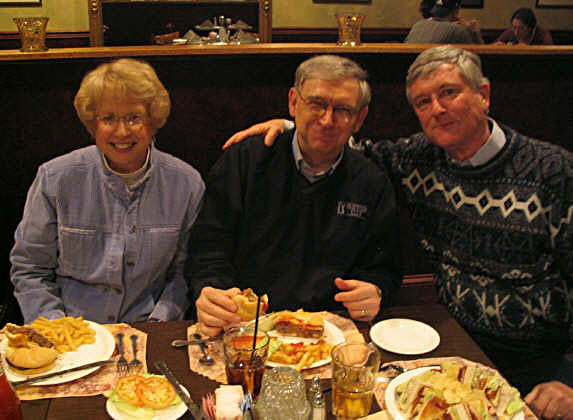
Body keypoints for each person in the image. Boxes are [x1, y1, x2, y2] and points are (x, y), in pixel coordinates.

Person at [223, 46, 573, 419]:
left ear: (483, 95)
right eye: (423, 101)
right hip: (449, 346)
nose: (436, 108)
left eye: (449, 93)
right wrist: (295, 125)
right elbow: (335, 141)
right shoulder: (416, 159)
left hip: (537, 366)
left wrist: (569, 377)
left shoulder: (553, 173)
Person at [187, 55, 402, 337]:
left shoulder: (371, 181)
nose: (327, 120)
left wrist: (376, 290)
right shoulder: (244, 161)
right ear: (293, 102)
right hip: (243, 328)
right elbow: (208, 249)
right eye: (317, 104)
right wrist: (211, 289)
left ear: (359, 119)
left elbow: (383, 267)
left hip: (327, 332)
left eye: (343, 110)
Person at [10, 58, 205, 324]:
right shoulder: (55, 179)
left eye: (134, 117)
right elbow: (30, 268)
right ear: (93, 124)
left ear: (153, 120)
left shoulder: (187, 184)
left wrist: (158, 324)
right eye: (109, 118)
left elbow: (184, 273)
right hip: (71, 329)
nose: (122, 131)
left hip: (149, 327)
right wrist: (56, 328)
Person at [405, 0, 483, 44]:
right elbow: (479, 54)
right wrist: (475, 32)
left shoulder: (418, 25)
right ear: (455, 12)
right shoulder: (457, 30)